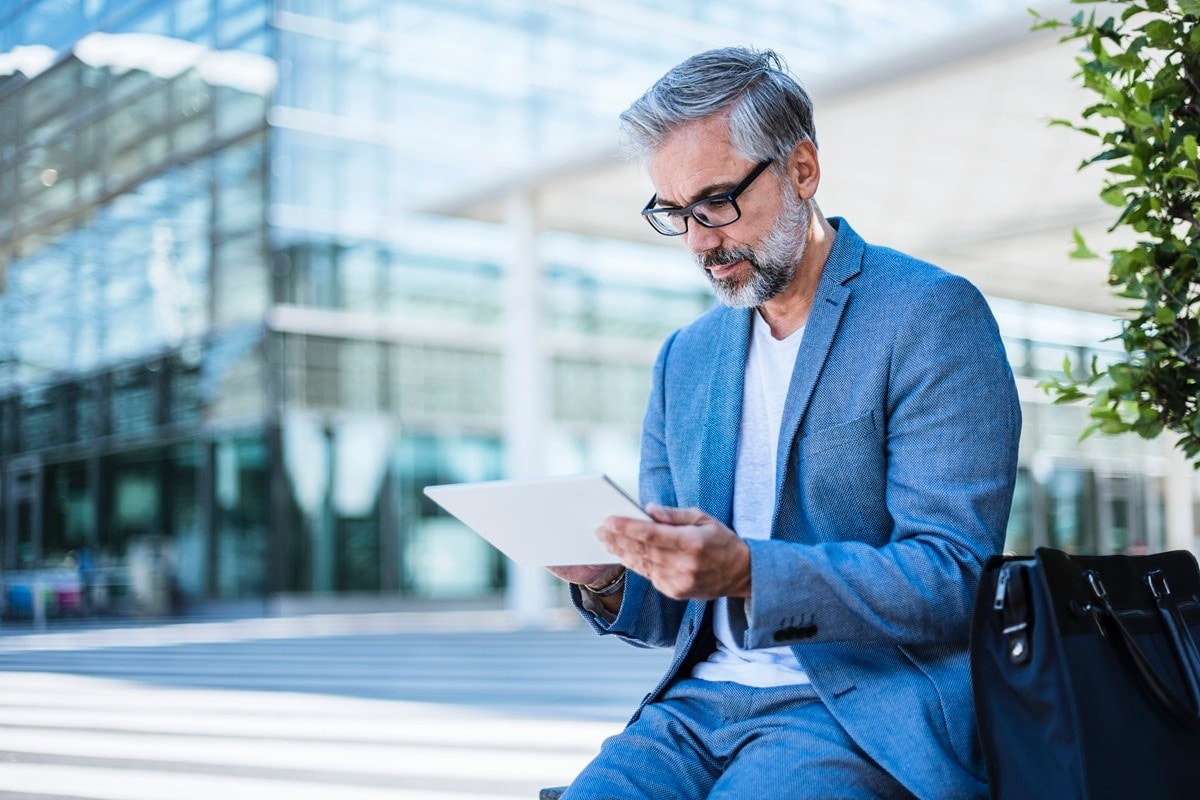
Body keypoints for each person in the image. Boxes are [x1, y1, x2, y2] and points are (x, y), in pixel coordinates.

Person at [547, 46, 1021, 800]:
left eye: (718, 202)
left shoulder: (929, 314)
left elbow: (954, 577)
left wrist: (749, 571)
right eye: (675, 213)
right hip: (694, 708)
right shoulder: (686, 358)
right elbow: (673, 616)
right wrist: (609, 578)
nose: (700, 240)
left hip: (858, 708)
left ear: (802, 170)